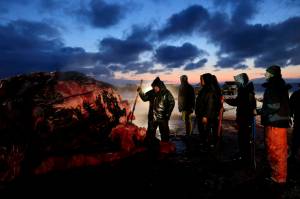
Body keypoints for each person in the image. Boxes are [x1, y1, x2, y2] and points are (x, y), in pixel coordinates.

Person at [260, 65, 290, 185]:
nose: (265, 75)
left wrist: (259, 111)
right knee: (275, 149)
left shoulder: (274, 86)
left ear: (272, 74)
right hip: (276, 121)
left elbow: (274, 106)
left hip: (276, 123)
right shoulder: (278, 85)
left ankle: (280, 178)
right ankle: (276, 175)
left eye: (267, 73)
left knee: (277, 150)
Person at [224, 73, 257, 164]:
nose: (236, 82)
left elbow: (237, 102)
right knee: (243, 138)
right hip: (245, 118)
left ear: (242, 81)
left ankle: (244, 157)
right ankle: (243, 155)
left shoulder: (245, 91)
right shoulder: (247, 89)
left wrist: (226, 98)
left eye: (237, 81)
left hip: (245, 118)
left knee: (244, 138)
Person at [137, 77, 175, 150]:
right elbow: (144, 98)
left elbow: (172, 103)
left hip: (163, 118)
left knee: (165, 134)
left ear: (160, 86)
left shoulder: (166, 93)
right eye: (154, 87)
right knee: (150, 134)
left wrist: (168, 113)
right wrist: (140, 92)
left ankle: (165, 148)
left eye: (156, 87)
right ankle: (151, 148)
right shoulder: (151, 92)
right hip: (152, 117)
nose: (155, 88)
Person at [195, 73, 220, 149]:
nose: (201, 81)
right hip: (202, 114)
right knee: (203, 131)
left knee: (206, 131)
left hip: (206, 115)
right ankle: (204, 143)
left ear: (206, 80)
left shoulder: (209, 90)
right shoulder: (205, 89)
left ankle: (207, 146)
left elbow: (210, 104)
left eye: (202, 79)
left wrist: (206, 116)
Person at [289, 84, 300, 162]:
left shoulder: (295, 94)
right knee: (296, 137)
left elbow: (290, 107)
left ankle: (293, 155)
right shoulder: (295, 94)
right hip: (297, 120)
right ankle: (293, 155)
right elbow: (290, 107)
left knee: (296, 137)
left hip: (298, 120)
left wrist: (289, 116)